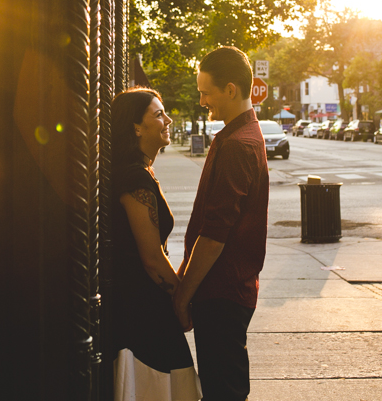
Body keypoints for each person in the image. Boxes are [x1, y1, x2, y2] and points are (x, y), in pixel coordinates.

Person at [173, 47, 269, 401]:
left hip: (222, 294)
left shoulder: (237, 145)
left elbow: (214, 235)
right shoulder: (239, 135)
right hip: (228, 291)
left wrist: (183, 295)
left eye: (206, 91)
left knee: (223, 392)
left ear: (230, 90)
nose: (202, 101)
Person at [111, 86, 201, 401]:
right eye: (158, 114)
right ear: (136, 127)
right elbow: (151, 258)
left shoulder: (136, 173)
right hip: (142, 311)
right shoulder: (135, 179)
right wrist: (182, 298)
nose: (168, 119)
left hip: (137, 305)